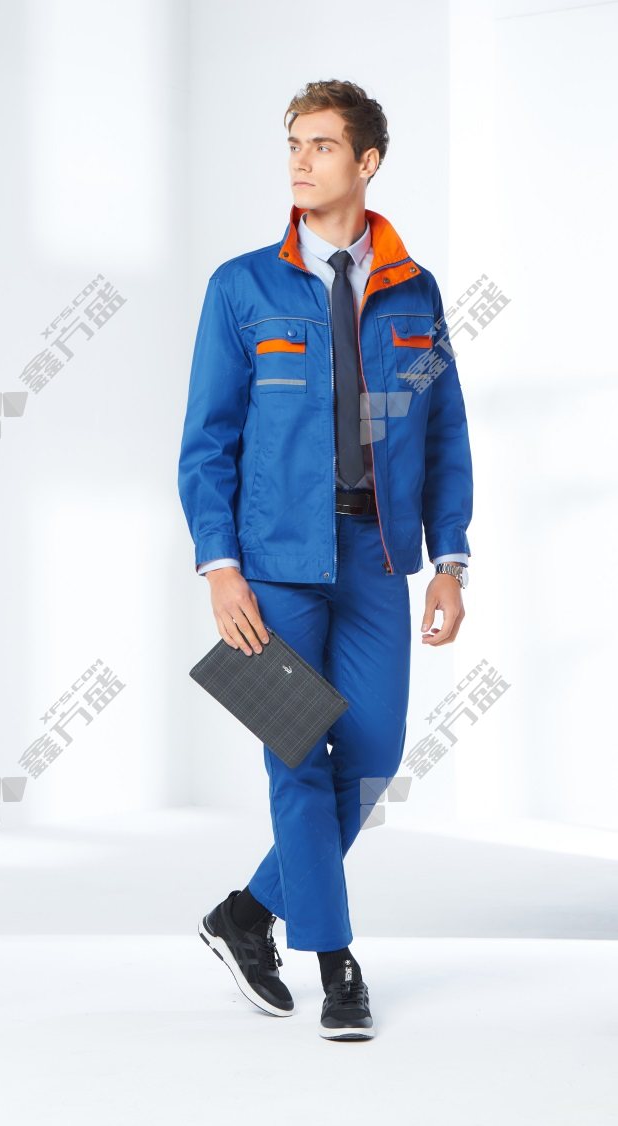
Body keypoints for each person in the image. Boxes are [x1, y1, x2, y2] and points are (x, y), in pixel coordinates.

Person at [177, 78, 473, 1041]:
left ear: (367, 161)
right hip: (272, 564)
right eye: (294, 144)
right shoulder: (242, 287)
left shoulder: (415, 291)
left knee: (374, 754)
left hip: (380, 555)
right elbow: (207, 441)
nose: (301, 162)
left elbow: (445, 433)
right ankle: (336, 961)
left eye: (322, 145)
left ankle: (246, 913)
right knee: (298, 754)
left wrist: (451, 560)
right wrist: (219, 566)